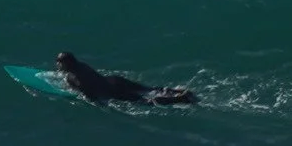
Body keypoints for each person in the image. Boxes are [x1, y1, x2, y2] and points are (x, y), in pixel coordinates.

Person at [55, 52, 195, 106]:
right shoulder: (82, 65)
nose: (57, 65)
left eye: (59, 62)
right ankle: (176, 91)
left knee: (145, 101)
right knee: (148, 89)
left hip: (111, 90)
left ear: (66, 64)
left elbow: (87, 93)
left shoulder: (71, 77)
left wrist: (97, 104)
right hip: (114, 80)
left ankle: (180, 99)